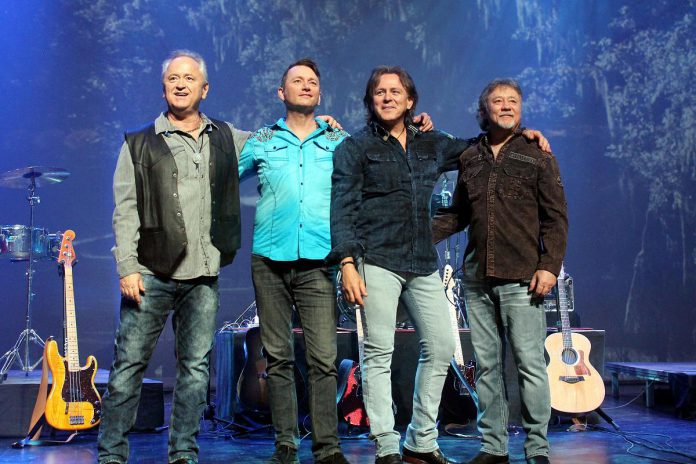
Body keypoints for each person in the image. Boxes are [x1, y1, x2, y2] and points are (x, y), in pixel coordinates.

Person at [328, 67, 550, 464]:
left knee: (442, 347)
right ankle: (387, 445)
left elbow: (479, 147)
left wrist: (521, 136)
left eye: (396, 91)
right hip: (376, 260)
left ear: (410, 100)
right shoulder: (355, 147)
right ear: (371, 101)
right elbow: (342, 209)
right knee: (379, 353)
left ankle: (420, 441)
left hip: (422, 261)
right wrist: (347, 262)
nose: (388, 97)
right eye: (380, 92)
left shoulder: (431, 143)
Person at [238, 58, 432, 464]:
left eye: (312, 81)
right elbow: (220, 176)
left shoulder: (338, 140)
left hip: (319, 261)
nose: (306, 86)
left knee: (323, 359)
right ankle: (285, 445)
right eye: (297, 81)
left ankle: (327, 447)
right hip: (269, 259)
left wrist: (416, 128)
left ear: (319, 93)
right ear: (282, 92)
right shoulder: (262, 140)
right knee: (278, 357)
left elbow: (383, 147)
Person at [98, 50, 250, 464]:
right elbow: (125, 208)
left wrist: (320, 125)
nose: (181, 84)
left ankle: (184, 453)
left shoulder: (226, 136)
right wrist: (127, 267)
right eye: (173, 78)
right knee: (128, 366)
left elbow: (273, 143)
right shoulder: (138, 142)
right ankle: (111, 455)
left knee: (196, 370)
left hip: (203, 274)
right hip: (150, 272)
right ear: (164, 87)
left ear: (205, 89)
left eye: (189, 78)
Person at [432, 79, 568, 464]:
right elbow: (458, 215)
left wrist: (549, 267)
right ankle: (494, 447)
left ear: (520, 109)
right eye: (498, 101)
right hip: (477, 280)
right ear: (484, 110)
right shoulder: (470, 157)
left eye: (513, 101)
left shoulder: (537, 154)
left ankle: (537, 448)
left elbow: (556, 218)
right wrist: (413, 239)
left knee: (530, 366)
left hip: (523, 279)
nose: (506, 106)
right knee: (487, 368)